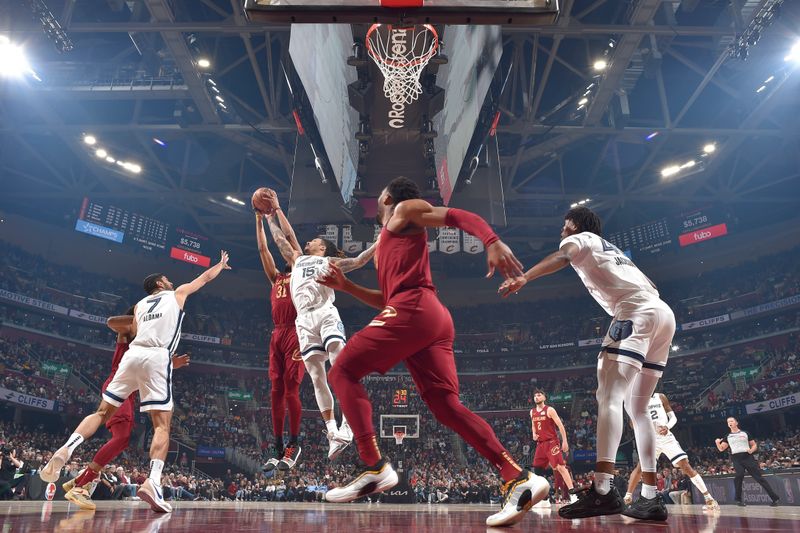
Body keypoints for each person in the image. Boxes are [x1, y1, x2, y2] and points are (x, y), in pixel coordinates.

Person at [317, 176, 549, 527]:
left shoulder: (404, 210)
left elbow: (456, 215)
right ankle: (518, 477)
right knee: (446, 407)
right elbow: (386, 300)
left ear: (387, 197)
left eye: (379, 195)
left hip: (417, 310)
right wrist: (347, 286)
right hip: (426, 316)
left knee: (342, 372)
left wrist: (492, 240)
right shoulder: (386, 244)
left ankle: (374, 465)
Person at [500, 206, 675, 522]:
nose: (561, 232)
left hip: (635, 312)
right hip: (663, 314)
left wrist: (524, 277)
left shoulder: (580, 239)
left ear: (576, 226)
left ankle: (604, 490)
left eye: (564, 226)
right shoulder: (616, 252)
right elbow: (652, 288)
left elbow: (561, 257)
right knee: (637, 409)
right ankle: (651, 497)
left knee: (609, 397)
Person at [39, 251, 232, 513]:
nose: (171, 281)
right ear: (160, 284)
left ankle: (66, 448)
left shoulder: (140, 307)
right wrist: (220, 265)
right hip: (156, 355)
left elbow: (128, 331)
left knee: (101, 411)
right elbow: (205, 278)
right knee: (162, 425)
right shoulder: (177, 294)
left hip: (132, 356)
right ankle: (153, 482)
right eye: (167, 279)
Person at [260, 190, 377, 460]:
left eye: (313, 240)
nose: (308, 241)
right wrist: (270, 215)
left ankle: (349, 424)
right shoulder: (297, 260)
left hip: (325, 313)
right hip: (303, 320)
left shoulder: (329, 261)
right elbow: (281, 238)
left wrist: (380, 242)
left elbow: (359, 261)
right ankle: (333, 432)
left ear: (322, 247)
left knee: (339, 366)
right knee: (315, 375)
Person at [61, 308, 189, 510]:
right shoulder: (129, 331)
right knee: (120, 438)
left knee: (122, 440)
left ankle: (80, 480)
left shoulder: (146, 343)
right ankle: (80, 483)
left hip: (127, 390)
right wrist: (140, 317)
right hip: (118, 384)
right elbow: (114, 322)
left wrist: (171, 364)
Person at [255, 211, 304, 471]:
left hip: (297, 332)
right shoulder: (276, 277)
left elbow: (291, 240)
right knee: (275, 390)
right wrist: (258, 220)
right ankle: (277, 443)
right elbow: (263, 248)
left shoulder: (301, 270)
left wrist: (275, 212)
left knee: (290, 388)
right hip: (277, 333)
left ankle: (294, 443)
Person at [625, 392, 718, 510]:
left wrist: (667, 426)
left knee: (686, 466)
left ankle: (709, 498)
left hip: (666, 437)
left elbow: (673, 417)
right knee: (640, 469)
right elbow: (632, 425)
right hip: (649, 439)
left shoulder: (660, 397)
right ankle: (627, 498)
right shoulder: (637, 400)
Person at [715, 416, 780, 506]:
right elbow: (721, 449)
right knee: (739, 475)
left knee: (759, 478)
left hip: (747, 456)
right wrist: (717, 443)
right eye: (728, 422)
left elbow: (754, 445)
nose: (730, 422)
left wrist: (752, 450)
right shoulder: (728, 436)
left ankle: (775, 499)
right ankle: (738, 500)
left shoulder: (745, 433)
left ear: (736, 423)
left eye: (731, 421)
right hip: (736, 458)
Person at [529, 389, 578, 505]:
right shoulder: (532, 412)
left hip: (552, 442)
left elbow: (560, 426)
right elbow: (533, 424)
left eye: (539, 395)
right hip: (540, 444)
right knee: (537, 470)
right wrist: (533, 433)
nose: (537, 397)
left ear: (544, 398)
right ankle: (544, 499)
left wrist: (564, 441)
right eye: (535, 395)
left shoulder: (549, 410)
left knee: (561, 467)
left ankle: (573, 494)